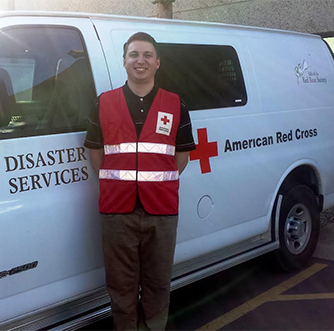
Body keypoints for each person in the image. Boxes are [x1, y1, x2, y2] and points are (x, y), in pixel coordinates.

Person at [84, 32, 196, 330]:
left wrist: (156, 182)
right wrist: (118, 182)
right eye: (134, 54)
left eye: (147, 55)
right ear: (124, 61)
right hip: (117, 212)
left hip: (161, 210)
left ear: (157, 62)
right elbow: (95, 154)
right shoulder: (103, 103)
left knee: (158, 284)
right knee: (121, 288)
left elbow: (181, 156)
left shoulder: (176, 104)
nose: (140, 60)